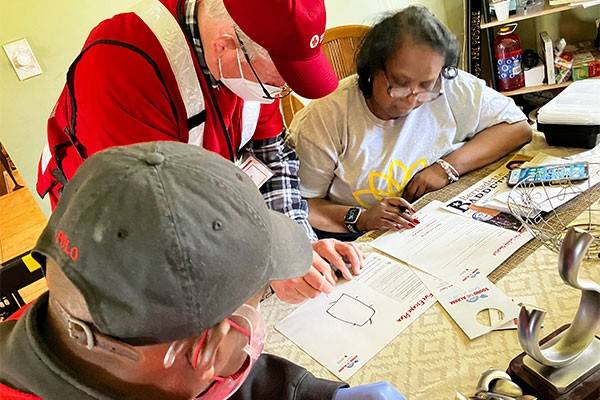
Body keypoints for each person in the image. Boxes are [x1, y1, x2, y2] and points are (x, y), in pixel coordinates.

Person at [0, 142, 405, 400]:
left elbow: (233, 375)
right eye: (251, 306)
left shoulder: (72, 320)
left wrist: (316, 395)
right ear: (202, 351)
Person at [34, 0, 363, 304]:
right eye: (277, 85)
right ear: (225, 46)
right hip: (112, 222)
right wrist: (268, 262)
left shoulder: (250, 60)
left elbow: (272, 158)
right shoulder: (119, 63)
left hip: (191, 190)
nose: (279, 94)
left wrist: (298, 247)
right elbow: (155, 223)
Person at [289, 6, 532, 240]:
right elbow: (301, 205)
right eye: (400, 82)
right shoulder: (326, 117)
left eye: (426, 85)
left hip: (435, 221)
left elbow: (518, 128)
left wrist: (447, 168)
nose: (412, 99)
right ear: (372, 68)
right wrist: (360, 218)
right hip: (359, 235)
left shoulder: (447, 85)